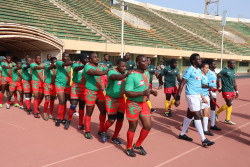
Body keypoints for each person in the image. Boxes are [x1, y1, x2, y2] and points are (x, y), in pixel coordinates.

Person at [175, 53, 215, 147]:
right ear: (193, 61)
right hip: (191, 95)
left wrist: (210, 87)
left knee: (189, 115)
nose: (200, 61)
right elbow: (181, 84)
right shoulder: (189, 70)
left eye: (200, 59)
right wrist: (178, 97)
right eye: (199, 59)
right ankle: (203, 139)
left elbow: (200, 84)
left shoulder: (198, 71)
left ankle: (182, 134)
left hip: (197, 95)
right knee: (197, 115)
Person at [125, 55, 157, 157]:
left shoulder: (147, 73)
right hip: (133, 104)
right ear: (138, 63)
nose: (147, 63)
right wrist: (143, 93)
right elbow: (127, 93)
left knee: (148, 126)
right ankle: (129, 147)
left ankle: (137, 145)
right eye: (144, 61)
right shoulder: (132, 76)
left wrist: (151, 91)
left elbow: (146, 87)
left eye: (147, 61)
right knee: (133, 127)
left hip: (143, 104)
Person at [101, 58, 131, 144]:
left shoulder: (126, 73)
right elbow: (115, 77)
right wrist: (125, 75)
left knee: (120, 120)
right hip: (111, 99)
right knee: (111, 120)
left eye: (125, 66)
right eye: (122, 66)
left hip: (121, 99)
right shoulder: (111, 72)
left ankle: (114, 137)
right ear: (117, 65)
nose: (124, 68)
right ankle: (104, 131)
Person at [83, 52, 109, 139]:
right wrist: (104, 72)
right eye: (94, 57)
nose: (97, 58)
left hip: (100, 92)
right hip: (90, 92)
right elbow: (94, 72)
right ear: (90, 60)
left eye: (97, 57)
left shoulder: (101, 66)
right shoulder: (87, 66)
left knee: (103, 111)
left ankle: (101, 130)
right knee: (89, 112)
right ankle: (87, 131)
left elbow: (109, 69)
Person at [65, 54, 89, 129]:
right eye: (85, 59)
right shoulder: (76, 64)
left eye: (88, 59)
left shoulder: (89, 66)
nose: (87, 60)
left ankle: (80, 124)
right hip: (76, 87)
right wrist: (84, 66)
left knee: (82, 107)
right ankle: (68, 120)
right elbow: (75, 69)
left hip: (84, 87)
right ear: (81, 59)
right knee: (73, 105)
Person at [216, 60, 238, 125]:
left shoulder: (233, 71)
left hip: (232, 90)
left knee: (230, 104)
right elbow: (218, 76)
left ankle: (227, 119)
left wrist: (236, 91)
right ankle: (216, 113)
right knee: (229, 103)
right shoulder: (225, 70)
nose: (233, 64)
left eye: (234, 63)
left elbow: (234, 82)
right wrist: (219, 87)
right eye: (232, 63)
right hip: (225, 90)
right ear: (228, 64)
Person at [55, 52, 73, 126]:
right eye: (65, 56)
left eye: (68, 56)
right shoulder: (59, 62)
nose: (67, 58)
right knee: (61, 100)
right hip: (59, 84)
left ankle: (62, 118)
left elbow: (69, 74)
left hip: (67, 85)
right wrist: (72, 62)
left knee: (65, 101)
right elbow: (64, 64)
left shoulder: (69, 66)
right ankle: (58, 118)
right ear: (62, 57)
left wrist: (70, 79)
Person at [200, 62, 214, 136]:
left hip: (206, 95)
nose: (208, 69)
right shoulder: (200, 76)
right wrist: (209, 88)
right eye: (206, 68)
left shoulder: (205, 76)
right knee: (194, 113)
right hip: (200, 96)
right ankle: (184, 125)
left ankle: (205, 129)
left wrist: (210, 94)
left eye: (208, 68)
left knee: (206, 113)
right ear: (202, 68)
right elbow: (200, 85)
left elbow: (207, 85)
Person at [207, 59, 221, 131]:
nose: (215, 65)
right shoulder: (208, 72)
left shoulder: (213, 71)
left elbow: (214, 81)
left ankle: (212, 124)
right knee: (203, 107)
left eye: (215, 64)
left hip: (214, 91)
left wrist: (218, 87)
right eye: (214, 64)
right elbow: (206, 83)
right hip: (208, 91)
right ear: (210, 65)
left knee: (213, 107)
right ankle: (194, 120)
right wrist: (210, 93)